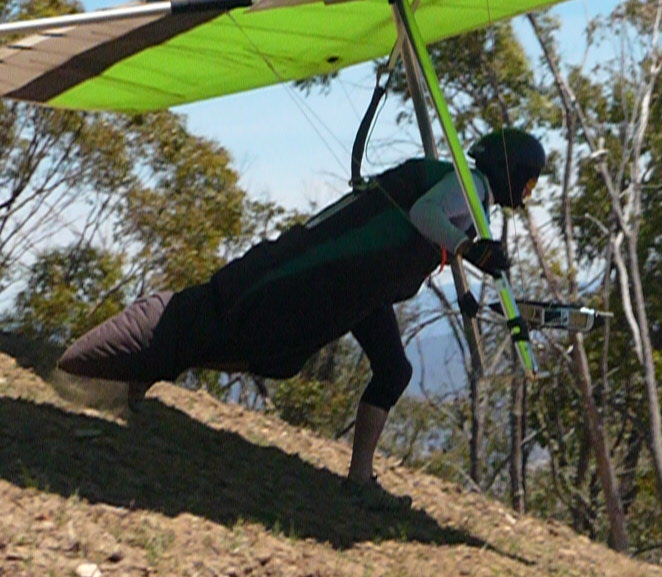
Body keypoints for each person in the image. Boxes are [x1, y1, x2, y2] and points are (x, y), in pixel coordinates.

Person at [57, 127, 546, 508]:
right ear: (511, 170)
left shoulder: (470, 194)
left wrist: (470, 264)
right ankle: (149, 361)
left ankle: (359, 480)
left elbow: (436, 233)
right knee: (261, 344)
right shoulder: (470, 185)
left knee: (392, 369)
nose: (527, 191)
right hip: (340, 275)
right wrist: (468, 248)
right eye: (528, 181)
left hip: (363, 289)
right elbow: (425, 214)